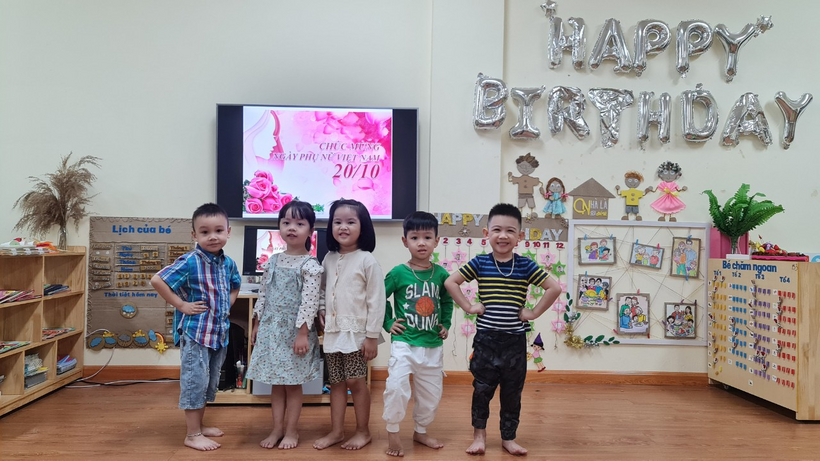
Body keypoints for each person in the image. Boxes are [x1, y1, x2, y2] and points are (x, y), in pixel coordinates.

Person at [444, 203, 561, 456]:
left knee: (512, 393)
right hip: (486, 341)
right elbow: (451, 282)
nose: (503, 235)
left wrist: (533, 313)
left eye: (510, 231)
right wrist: (469, 306)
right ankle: (479, 436)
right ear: (487, 234)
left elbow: (554, 288)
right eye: (497, 230)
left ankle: (509, 438)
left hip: (514, 342)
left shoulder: (525, 265)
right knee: (482, 390)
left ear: (520, 236)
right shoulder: (480, 263)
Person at [150, 203, 241, 451]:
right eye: (205, 232)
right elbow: (157, 280)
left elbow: (235, 285)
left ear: (228, 232)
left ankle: (199, 426)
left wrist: (227, 304)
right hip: (196, 333)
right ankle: (192, 435)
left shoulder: (228, 263)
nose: (213, 236)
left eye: (218, 230)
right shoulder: (190, 261)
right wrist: (182, 305)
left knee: (209, 382)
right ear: (194, 235)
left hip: (218, 334)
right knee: (195, 382)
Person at [246, 200, 323, 450]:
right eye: (286, 222)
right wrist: (257, 323)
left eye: (299, 224)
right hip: (271, 329)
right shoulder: (273, 261)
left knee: (292, 384)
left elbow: (310, 302)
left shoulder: (311, 265)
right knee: (276, 383)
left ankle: (291, 431)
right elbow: (263, 294)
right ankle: (277, 428)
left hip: (295, 331)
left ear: (310, 231)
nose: (292, 228)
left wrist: (303, 333)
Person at [313, 199, 386, 451]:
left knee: (356, 382)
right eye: (337, 222)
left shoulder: (367, 260)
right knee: (336, 383)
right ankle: (336, 431)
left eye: (350, 222)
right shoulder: (328, 258)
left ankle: (363, 431)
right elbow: (322, 289)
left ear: (363, 227)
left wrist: (372, 336)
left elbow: (377, 301)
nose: (343, 227)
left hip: (357, 334)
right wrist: (321, 309)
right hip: (334, 332)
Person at [382, 211, 454, 457]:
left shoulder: (441, 275)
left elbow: (447, 301)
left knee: (431, 393)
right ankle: (393, 431)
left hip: (432, 343)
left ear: (436, 241)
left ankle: (420, 431)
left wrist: (445, 323)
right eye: (414, 238)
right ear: (405, 241)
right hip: (404, 342)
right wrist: (388, 322)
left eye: (427, 237)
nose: (421, 243)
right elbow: (379, 297)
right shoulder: (398, 273)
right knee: (396, 386)